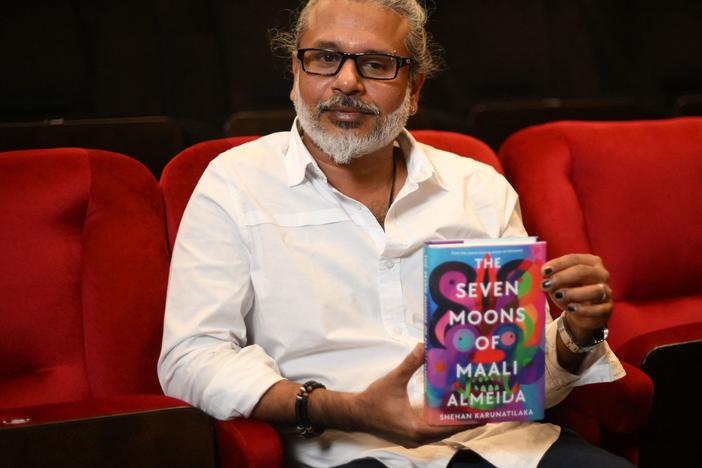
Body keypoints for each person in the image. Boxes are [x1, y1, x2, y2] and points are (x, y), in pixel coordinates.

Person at [158, 1, 630, 466]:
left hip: (508, 448)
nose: (346, 82)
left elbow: (505, 378)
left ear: (415, 88)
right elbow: (191, 359)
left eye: (376, 64)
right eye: (324, 58)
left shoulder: (478, 187)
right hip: (353, 454)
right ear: (296, 74)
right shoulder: (235, 182)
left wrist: (576, 335)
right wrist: (342, 408)